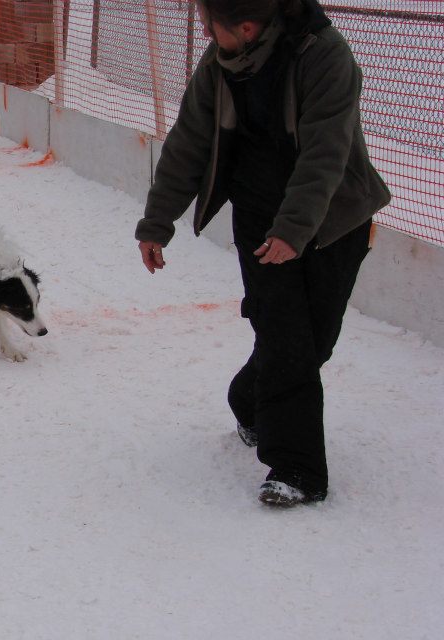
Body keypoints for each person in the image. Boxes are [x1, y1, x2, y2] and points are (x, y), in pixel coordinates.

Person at [134, 0, 390, 507]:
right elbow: (189, 140)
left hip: (334, 218)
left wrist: (294, 230)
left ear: (246, 27)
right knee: (285, 336)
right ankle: (295, 468)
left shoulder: (326, 57)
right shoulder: (220, 63)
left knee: (314, 342)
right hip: (257, 214)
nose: (206, 31)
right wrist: (157, 221)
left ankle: (247, 399)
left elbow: (325, 155)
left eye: (211, 24)